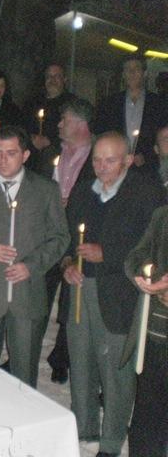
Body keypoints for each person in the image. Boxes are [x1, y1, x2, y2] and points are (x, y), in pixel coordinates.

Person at [62, 132, 164, 457]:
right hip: (80, 288)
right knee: (81, 361)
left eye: (110, 160)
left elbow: (150, 246)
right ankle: (85, 428)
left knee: (116, 371)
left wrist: (107, 254)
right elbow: (66, 239)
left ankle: (111, 441)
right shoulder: (83, 191)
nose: (101, 167)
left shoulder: (146, 193)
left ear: (128, 160)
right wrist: (68, 264)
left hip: (119, 294)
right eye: (97, 160)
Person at [0, 125, 69, 387]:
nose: (3, 160)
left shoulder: (45, 190)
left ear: (25, 155)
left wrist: (32, 265)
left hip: (27, 293)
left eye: (11, 153)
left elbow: (60, 237)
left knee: (24, 375)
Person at [39, 98, 96, 385]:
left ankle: (61, 358)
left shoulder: (98, 155)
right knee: (39, 293)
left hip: (80, 234)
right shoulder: (52, 152)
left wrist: (71, 203)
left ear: (81, 124)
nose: (59, 124)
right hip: (49, 233)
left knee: (70, 298)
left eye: (65, 120)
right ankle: (27, 350)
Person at [123, 205, 168, 457]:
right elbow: (136, 256)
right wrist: (147, 275)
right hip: (155, 335)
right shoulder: (162, 215)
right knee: (147, 419)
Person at [95, 54, 168, 171]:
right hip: (116, 166)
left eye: (136, 68)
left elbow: (163, 136)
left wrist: (146, 155)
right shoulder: (110, 104)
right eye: (127, 69)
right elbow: (102, 133)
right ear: (123, 74)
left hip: (148, 168)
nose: (132, 72)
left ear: (144, 73)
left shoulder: (159, 104)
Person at [23, 63, 75, 171]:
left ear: (64, 79)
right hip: (32, 159)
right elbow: (23, 125)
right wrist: (32, 138)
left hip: (59, 158)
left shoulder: (72, 103)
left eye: (57, 76)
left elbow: (75, 132)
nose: (52, 80)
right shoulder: (33, 102)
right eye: (49, 76)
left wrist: (50, 141)